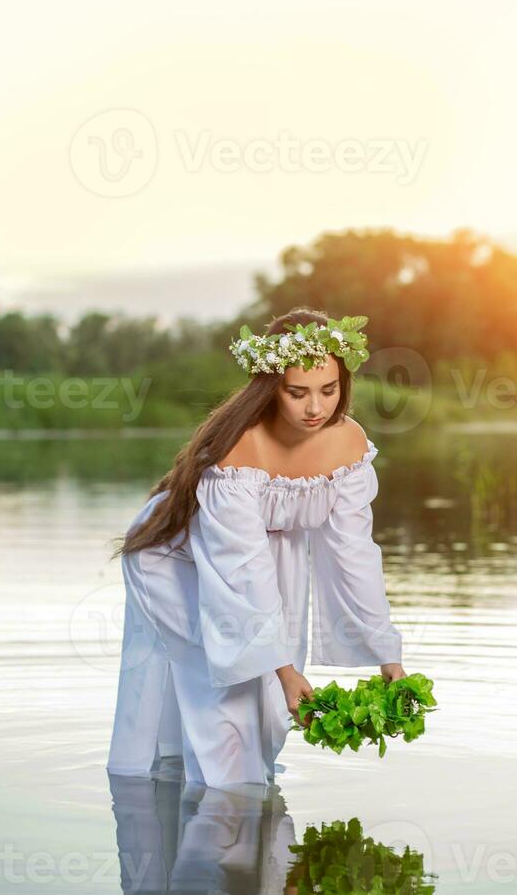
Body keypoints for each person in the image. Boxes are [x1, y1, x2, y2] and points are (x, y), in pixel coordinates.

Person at [106, 307, 405, 788]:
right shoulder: (240, 447)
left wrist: (388, 655)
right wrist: (284, 671)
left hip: (269, 557)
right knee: (230, 690)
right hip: (176, 558)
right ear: (270, 386)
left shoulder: (348, 444)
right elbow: (241, 566)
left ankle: (236, 818)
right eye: (297, 392)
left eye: (328, 390)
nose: (315, 408)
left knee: (267, 706)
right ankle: (223, 817)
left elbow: (355, 555)